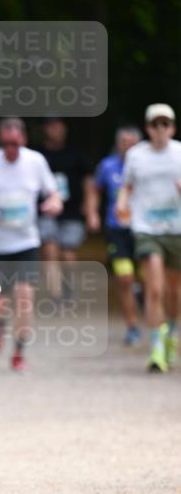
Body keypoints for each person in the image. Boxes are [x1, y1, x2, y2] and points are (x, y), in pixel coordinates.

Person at [0, 118, 62, 371]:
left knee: (25, 298)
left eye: (15, 143)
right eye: (5, 144)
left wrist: (54, 203)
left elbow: (53, 193)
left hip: (26, 241)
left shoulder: (36, 161)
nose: (10, 148)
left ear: (23, 140)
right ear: (0, 141)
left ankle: (19, 352)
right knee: (2, 303)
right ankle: (0, 324)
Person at [116, 103, 181, 372]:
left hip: (176, 229)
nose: (160, 129)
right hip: (146, 228)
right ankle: (155, 347)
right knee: (154, 289)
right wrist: (121, 205)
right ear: (148, 128)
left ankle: (172, 334)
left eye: (165, 124)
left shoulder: (180, 152)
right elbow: (127, 187)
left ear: (172, 127)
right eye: (155, 124)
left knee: (174, 292)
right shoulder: (136, 155)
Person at [86, 126, 143, 346]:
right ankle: (132, 326)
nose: (128, 148)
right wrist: (92, 213)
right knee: (124, 277)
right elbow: (94, 188)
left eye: (133, 143)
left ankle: (146, 302)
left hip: (143, 228)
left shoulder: (147, 164)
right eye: (124, 143)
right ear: (118, 144)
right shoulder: (107, 166)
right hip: (116, 228)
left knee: (149, 279)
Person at [38, 118, 92, 299]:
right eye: (52, 126)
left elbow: (88, 181)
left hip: (72, 210)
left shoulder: (76, 154)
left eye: (59, 126)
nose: (56, 130)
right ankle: (55, 295)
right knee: (50, 251)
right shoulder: (38, 155)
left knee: (68, 254)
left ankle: (68, 288)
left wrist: (89, 207)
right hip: (45, 209)